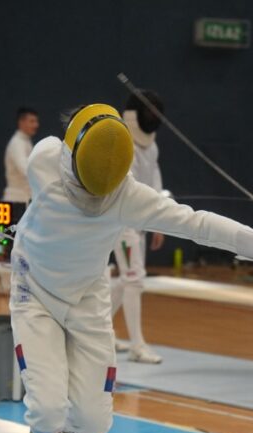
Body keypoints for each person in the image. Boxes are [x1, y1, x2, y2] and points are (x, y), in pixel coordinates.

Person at [11, 104, 253, 433]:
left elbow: (197, 223)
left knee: (94, 424)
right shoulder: (43, 157)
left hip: (87, 298)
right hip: (34, 293)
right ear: (70, 157)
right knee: (45, 409)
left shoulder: (126, 192)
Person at [110, 90, 167, 364]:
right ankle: (137, 346)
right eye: (148, 112)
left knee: (127, 280)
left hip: (140, 222)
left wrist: (159, 222)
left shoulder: (151, 147)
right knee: (134, 278)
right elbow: (128, 188)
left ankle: (101, 331)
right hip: (122, 223)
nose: (152, 117)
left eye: (156, 112)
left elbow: (154, 181)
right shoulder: (123, 144)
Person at [2, 106, 38, 203]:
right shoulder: (17, 143)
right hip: (17, 199)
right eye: (32, 121)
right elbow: (25, 170)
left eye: (36, 121)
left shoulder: (26, 141)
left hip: (25, 197)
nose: (36, 125)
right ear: (21, 122)